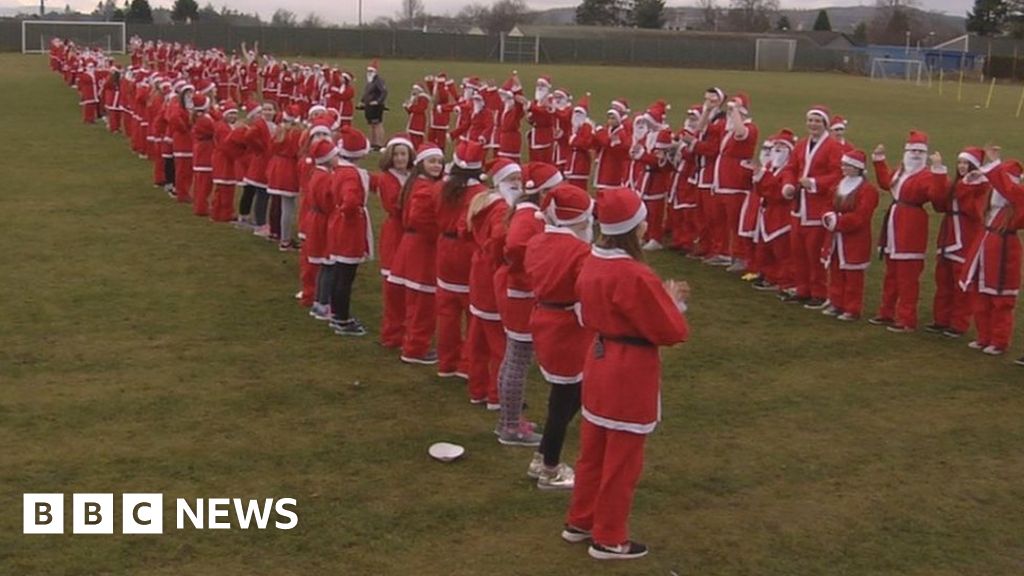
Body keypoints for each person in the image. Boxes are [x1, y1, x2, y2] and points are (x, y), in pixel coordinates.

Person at [563, 186, 689, 561]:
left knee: (593, 451)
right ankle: (610, 537)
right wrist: (673, 302)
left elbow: (587, 313)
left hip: (599, 361)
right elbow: (670, 331)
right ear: (633, 228)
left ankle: (580, 520)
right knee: (623, 459)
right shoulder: (635, 274)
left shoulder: (591, 262)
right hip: (630, 370)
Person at [524, 184, 594, 490]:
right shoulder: (580, 251)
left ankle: (542, 457)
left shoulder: (538, 241)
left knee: (561, 397)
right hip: (568, 328)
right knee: (565, 401)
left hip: (544, 319)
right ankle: (550, 468)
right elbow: (586, 291)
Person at [494, 162, 564, 446]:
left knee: (513, 358)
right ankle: (510, 426)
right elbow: (514, 248)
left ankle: (507, 420)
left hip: (521, 293)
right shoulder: (528, 216)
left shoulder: (529, 213)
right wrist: (538, 268)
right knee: (518, 361)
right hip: (522, 296)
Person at [868, 130, 935, 332]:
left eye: (919, 151)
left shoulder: (927, 175)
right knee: (892, 273)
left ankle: (906, 319)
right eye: (912, 150)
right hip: (894, 224)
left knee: (907, 276)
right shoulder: (900, 171)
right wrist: (879, 161)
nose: (915, 154)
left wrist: (939, 173)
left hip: (911, 226)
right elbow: (886, 183)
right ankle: (886, 312)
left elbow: (936, 194)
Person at [466, 159, 519, 408]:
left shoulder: (483, 202)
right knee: (498, 342)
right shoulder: (502, 209)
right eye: (513, 180)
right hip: (492, 277)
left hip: (479, 275)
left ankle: (477, 389)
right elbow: (498, 240)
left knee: (478, 339)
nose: (518, 185)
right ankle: (496, 395)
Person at [960, 150, 1024, 358]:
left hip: (1004, 253)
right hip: (983, 248)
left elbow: (1011, 191)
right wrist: (974, 178)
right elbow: (971, 194)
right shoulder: (990, 206)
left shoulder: (1016, 204)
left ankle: (999, 340)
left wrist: (995, 167)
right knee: (979, 294)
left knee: (1000, 300)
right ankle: (983, 336)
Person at [780, 105, 844, 308]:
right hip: (799, 206)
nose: (813, 125)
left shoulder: (833, 147)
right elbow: (791, 167)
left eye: (817, 121)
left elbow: (838, 174)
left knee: (814, 252)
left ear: (825, 124)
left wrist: (815, 183)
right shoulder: (801, 145)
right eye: (810, 121)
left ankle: (819, 292)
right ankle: (802, 288)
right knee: (797, 251)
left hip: (818, 207)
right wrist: (788, 184)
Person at [431, 141, 487, 371]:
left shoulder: (440, 188)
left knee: (447, 311)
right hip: (468, 250)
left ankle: (447, 362)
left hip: (444, 248)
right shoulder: (481, 194)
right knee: (471, 311)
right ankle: (467, 364)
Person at [388, 143, 445, 358]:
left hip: (410, 244)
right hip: (422, 248)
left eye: (439, 162)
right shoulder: (424, 188)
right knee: (423, 301)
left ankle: (405, 340)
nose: (437, 166)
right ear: (421, 163)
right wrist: (438, 234)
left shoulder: (414, 184)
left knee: (412, 299)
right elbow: (420, 219)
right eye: (432, 161)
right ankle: (415, 348)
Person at [926, 147, 990, 337]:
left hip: (966, 239)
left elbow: (974, 211)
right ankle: (941, 319)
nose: (962, 167)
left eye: (966, 163)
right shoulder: (957, 184)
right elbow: (938, 203)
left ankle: (959, 324)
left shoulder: (982, 187)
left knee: (961, 284)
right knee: (943, 281)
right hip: (948, 238)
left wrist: (966, 186)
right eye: (960, 163)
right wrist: (938, 171)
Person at [820, 150, 880, 321]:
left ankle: (852, 308)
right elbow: (826, 205)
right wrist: (828, 217)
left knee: (853, 276)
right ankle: (836, 302)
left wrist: (838, 222)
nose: (844, 168)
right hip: (836, 238)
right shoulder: (838, 186)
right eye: (843, 165)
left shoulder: (868, 190)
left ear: (857, 168)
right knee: (836, 270)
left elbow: (862, 216)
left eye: (847, 165)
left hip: (855, 239)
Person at [326, 126, 373, 336]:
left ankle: (336, 313)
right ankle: (341, 318)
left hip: (338, 222)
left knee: (339, 271)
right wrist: (353, 214)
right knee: (345, 274)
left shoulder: (339, 170)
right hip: (349, 227)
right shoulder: (351, 174)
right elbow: (351, 200)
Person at [372, 135, 415, 347]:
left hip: (411, 233)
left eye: (403, 154)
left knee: (410, 285)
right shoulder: (387, 178)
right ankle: (392, 333)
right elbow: (393, 206)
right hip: (396, 232)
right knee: (392, 286)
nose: (400, 158)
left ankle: (407, 329)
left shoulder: (413, 176)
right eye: (396, 154)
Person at [266, 105, 303, 250]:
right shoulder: (296, 133)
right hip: (289, 169)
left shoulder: (278, 129)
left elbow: (270, 148)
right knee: (288, 206)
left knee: (276, 202)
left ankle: (274, 232)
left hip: (276, 166)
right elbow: (299, 152)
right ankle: (285, 240)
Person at [190, 93, 215, 217]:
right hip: (205, 152)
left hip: (202, 150)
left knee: (201, 183)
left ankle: (200, 205)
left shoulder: (201, 117)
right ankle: (201, 207)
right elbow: (215, 129)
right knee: (204, 183)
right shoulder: (204, 120)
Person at [361, 59, 388, 150]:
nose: (369, 72)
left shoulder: (378, 81)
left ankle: (379, 143)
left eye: (371, 71)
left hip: (376, 106)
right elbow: (366, 92)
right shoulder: (369, 81)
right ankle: (373, 143)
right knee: (371, 125)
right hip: (369, 106)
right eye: (368, 71)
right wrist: (362, 101)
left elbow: (383, 92)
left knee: (377, 124)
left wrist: (378, 101)